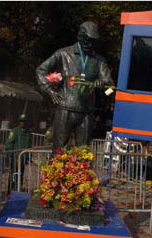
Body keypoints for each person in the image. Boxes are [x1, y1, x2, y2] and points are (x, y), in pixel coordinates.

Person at [36, 21, 114, 153]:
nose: (90, 44)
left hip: (86, 113)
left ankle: (81, 174)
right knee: (59, 150)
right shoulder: (63, 54)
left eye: (93, 41)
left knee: (83, 152)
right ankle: (56, 174)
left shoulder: (99, 61)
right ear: (80, 36)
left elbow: (111, 88)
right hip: (65, 109)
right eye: (88, 40)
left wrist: (104, 87)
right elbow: (40, 71)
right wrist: (50, 91)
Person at [5, 114, 32, 193]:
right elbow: (9, 143)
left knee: (21, 174)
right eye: (21, 121)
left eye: (24, 121)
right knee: (13, 174)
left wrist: (28, 156)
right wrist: (10, 155)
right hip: (15, 157)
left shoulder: (28, 132)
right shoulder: (15, 131)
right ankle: (10, 190)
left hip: (23, 158)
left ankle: (18, 189)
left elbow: (29, 145)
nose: (22, 123)